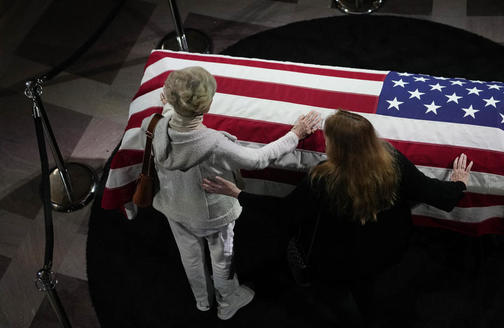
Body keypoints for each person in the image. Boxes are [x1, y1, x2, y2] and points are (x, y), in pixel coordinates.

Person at [202, 109, 473, 326]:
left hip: (337, 259)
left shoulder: (324, 177)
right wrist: (459, 183)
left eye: (328, 138)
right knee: (369, 299)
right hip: (389, 248)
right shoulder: (392, 159)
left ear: (338, 149)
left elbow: (284, 214)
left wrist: (237, 193)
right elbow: (442, 197)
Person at [140, 66, 320, 320]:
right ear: (207, 106)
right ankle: (228, 300)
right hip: (211, 214)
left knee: (189, 257)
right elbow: (257, 159)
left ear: (170, 99)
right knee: (222, 257)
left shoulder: (151, 125)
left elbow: (172, 126)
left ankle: (202, 301)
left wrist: (170, 108)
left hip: (173, 206)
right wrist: (295, 134)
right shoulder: (214, 143)